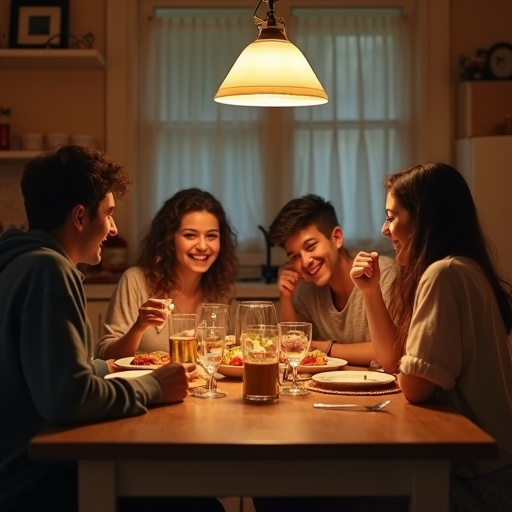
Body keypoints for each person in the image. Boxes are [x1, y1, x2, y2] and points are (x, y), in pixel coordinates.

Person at [0, 145, 225, 512]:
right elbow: (67, 398)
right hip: (32, 480)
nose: (114, 228)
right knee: (203, 507)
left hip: (28, 465)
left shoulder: (21, 262)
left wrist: (110, 367)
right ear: (79, 216)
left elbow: (58, 374)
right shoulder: (48, 272)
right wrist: (153, 386)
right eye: (108, 214)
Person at [350, 162, 512, 511]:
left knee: (323, 492)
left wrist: (405, 375)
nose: (384, 229)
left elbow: (415, 387)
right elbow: (395, 362)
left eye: (392, 217)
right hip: (482, 467)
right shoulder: (461, 268)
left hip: (481, 482)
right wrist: (370, 292)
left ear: (423, 216)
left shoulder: (445, 274)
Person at [95, 188, 238, 360]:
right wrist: (139, 327)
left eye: (211, 236)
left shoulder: (221, 290)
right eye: (190, 235)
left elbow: (230, 355)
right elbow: (106, 356)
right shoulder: (136, 281)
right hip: (147, 385)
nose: (202, 245)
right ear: (170, 239)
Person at [268, 194, 397, 366]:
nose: (306, 261)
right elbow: (291, 348)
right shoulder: (308, 289)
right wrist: (285, 296)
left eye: (311, 246)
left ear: (336, 238)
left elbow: (393, 351)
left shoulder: (380, 273)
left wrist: (321, 348)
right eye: (294, 257)